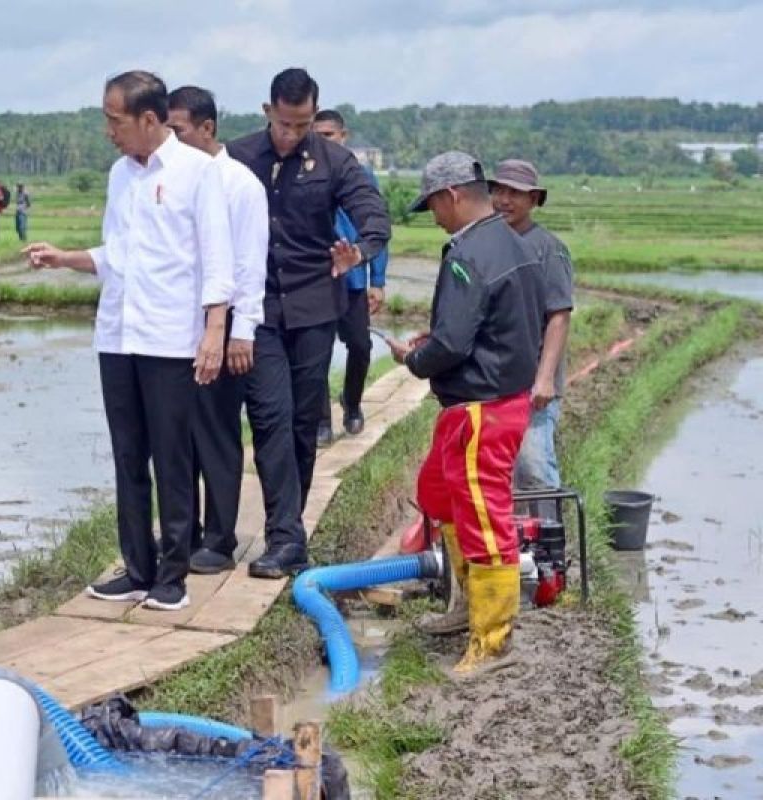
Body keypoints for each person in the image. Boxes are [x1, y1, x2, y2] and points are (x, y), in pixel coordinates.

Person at [23, 70, 233, 610]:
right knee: (127, 455)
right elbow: (116, 254)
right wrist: (65, 258)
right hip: (118, 333)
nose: (108, 131)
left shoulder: (198, 172)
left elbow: (217, 260)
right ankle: (137, 568)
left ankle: (172, 577)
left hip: (169, 338)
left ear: (148, 119)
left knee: (172, 458)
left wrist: (214, 332)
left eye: (114, 120)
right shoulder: (121, 174)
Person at [386, 151, 545, 675]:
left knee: (483, 516)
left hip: (484, 407)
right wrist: (436, 341)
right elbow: (486, 325)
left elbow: (454, 342)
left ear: (451, 196)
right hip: (489, 400)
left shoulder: (468, 254)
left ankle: (493, 640)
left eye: (433, 205)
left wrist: (416, 358)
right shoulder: (509, 242)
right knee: (441, 494)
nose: (433, 216)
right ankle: (465, 607)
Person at [227, 68, 390, 578]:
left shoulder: (335, 161)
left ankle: (289, 529)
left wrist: (357, 252)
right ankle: (284, 536)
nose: (293, 135)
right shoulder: (236, 158)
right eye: (284, 124)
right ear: (267, 111)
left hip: (316, 308)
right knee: (270, 417)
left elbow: (374, 218)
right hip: (257, 310)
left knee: (302, 421)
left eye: (303, 125)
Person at [165, 85, 268, 574]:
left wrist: (241, 330)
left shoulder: (238, 183)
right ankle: (181, 533)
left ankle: (219, 538)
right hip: (172, 332)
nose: (171, 138)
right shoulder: (169, 178)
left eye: (178, 130)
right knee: (176, 436)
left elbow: (248, 263)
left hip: (220, 330)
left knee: (216, 434)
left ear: (207, 128)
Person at [490, 160, 573, 503]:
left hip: (532, 385)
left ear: (534, 199)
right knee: (496, 472)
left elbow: (558, 315)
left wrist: (545, 378)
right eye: (500, 191)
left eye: (516, 193)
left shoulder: (547, 249)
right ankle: (510, 549)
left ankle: (549, 549)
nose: (505, 200)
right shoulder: (489, 244)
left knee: (533, 467)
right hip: (494, 381)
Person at [310, 109, 389, 445]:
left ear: (343, 136)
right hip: (316, 278)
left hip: (353, 278)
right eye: (318, 134)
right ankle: (321, 421)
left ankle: (352, 402)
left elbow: (377, 228)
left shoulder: (361, 175)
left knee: (359, 344)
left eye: (329, 135)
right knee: (316, 351)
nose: (323, 141)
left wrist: (378, 280)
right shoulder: (305, 173)